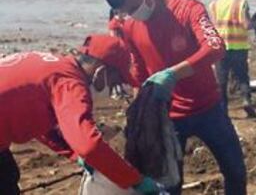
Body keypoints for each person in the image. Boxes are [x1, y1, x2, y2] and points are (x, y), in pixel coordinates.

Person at [102, 0, 246, 195]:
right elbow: (139, 70)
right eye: (126, 12)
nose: (132, 15)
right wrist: (132, 91)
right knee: (169, 183)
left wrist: (173, 74)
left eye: (133, 8)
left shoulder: (188, 9)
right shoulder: (130, 27)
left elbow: (216, 47)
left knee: (235, 171)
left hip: (209, 108)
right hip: (169, 117)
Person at [0, 35, 160, 195]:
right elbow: (89, 146)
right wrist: (135, 181)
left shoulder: (56, 66)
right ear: (101, 72)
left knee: (7, 175)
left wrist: (74, 154)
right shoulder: (70, 83)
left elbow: (39, 124)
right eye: (114, 83)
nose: (112, 89)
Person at [209, 0, 256, 118]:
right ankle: (246, 100)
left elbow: (213, 26)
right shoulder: (241, 2)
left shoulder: (214, 5)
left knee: (222, 81)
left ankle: (223, 111)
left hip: (221, 48)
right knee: (242, 76)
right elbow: (247, 25)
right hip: (239, 47)